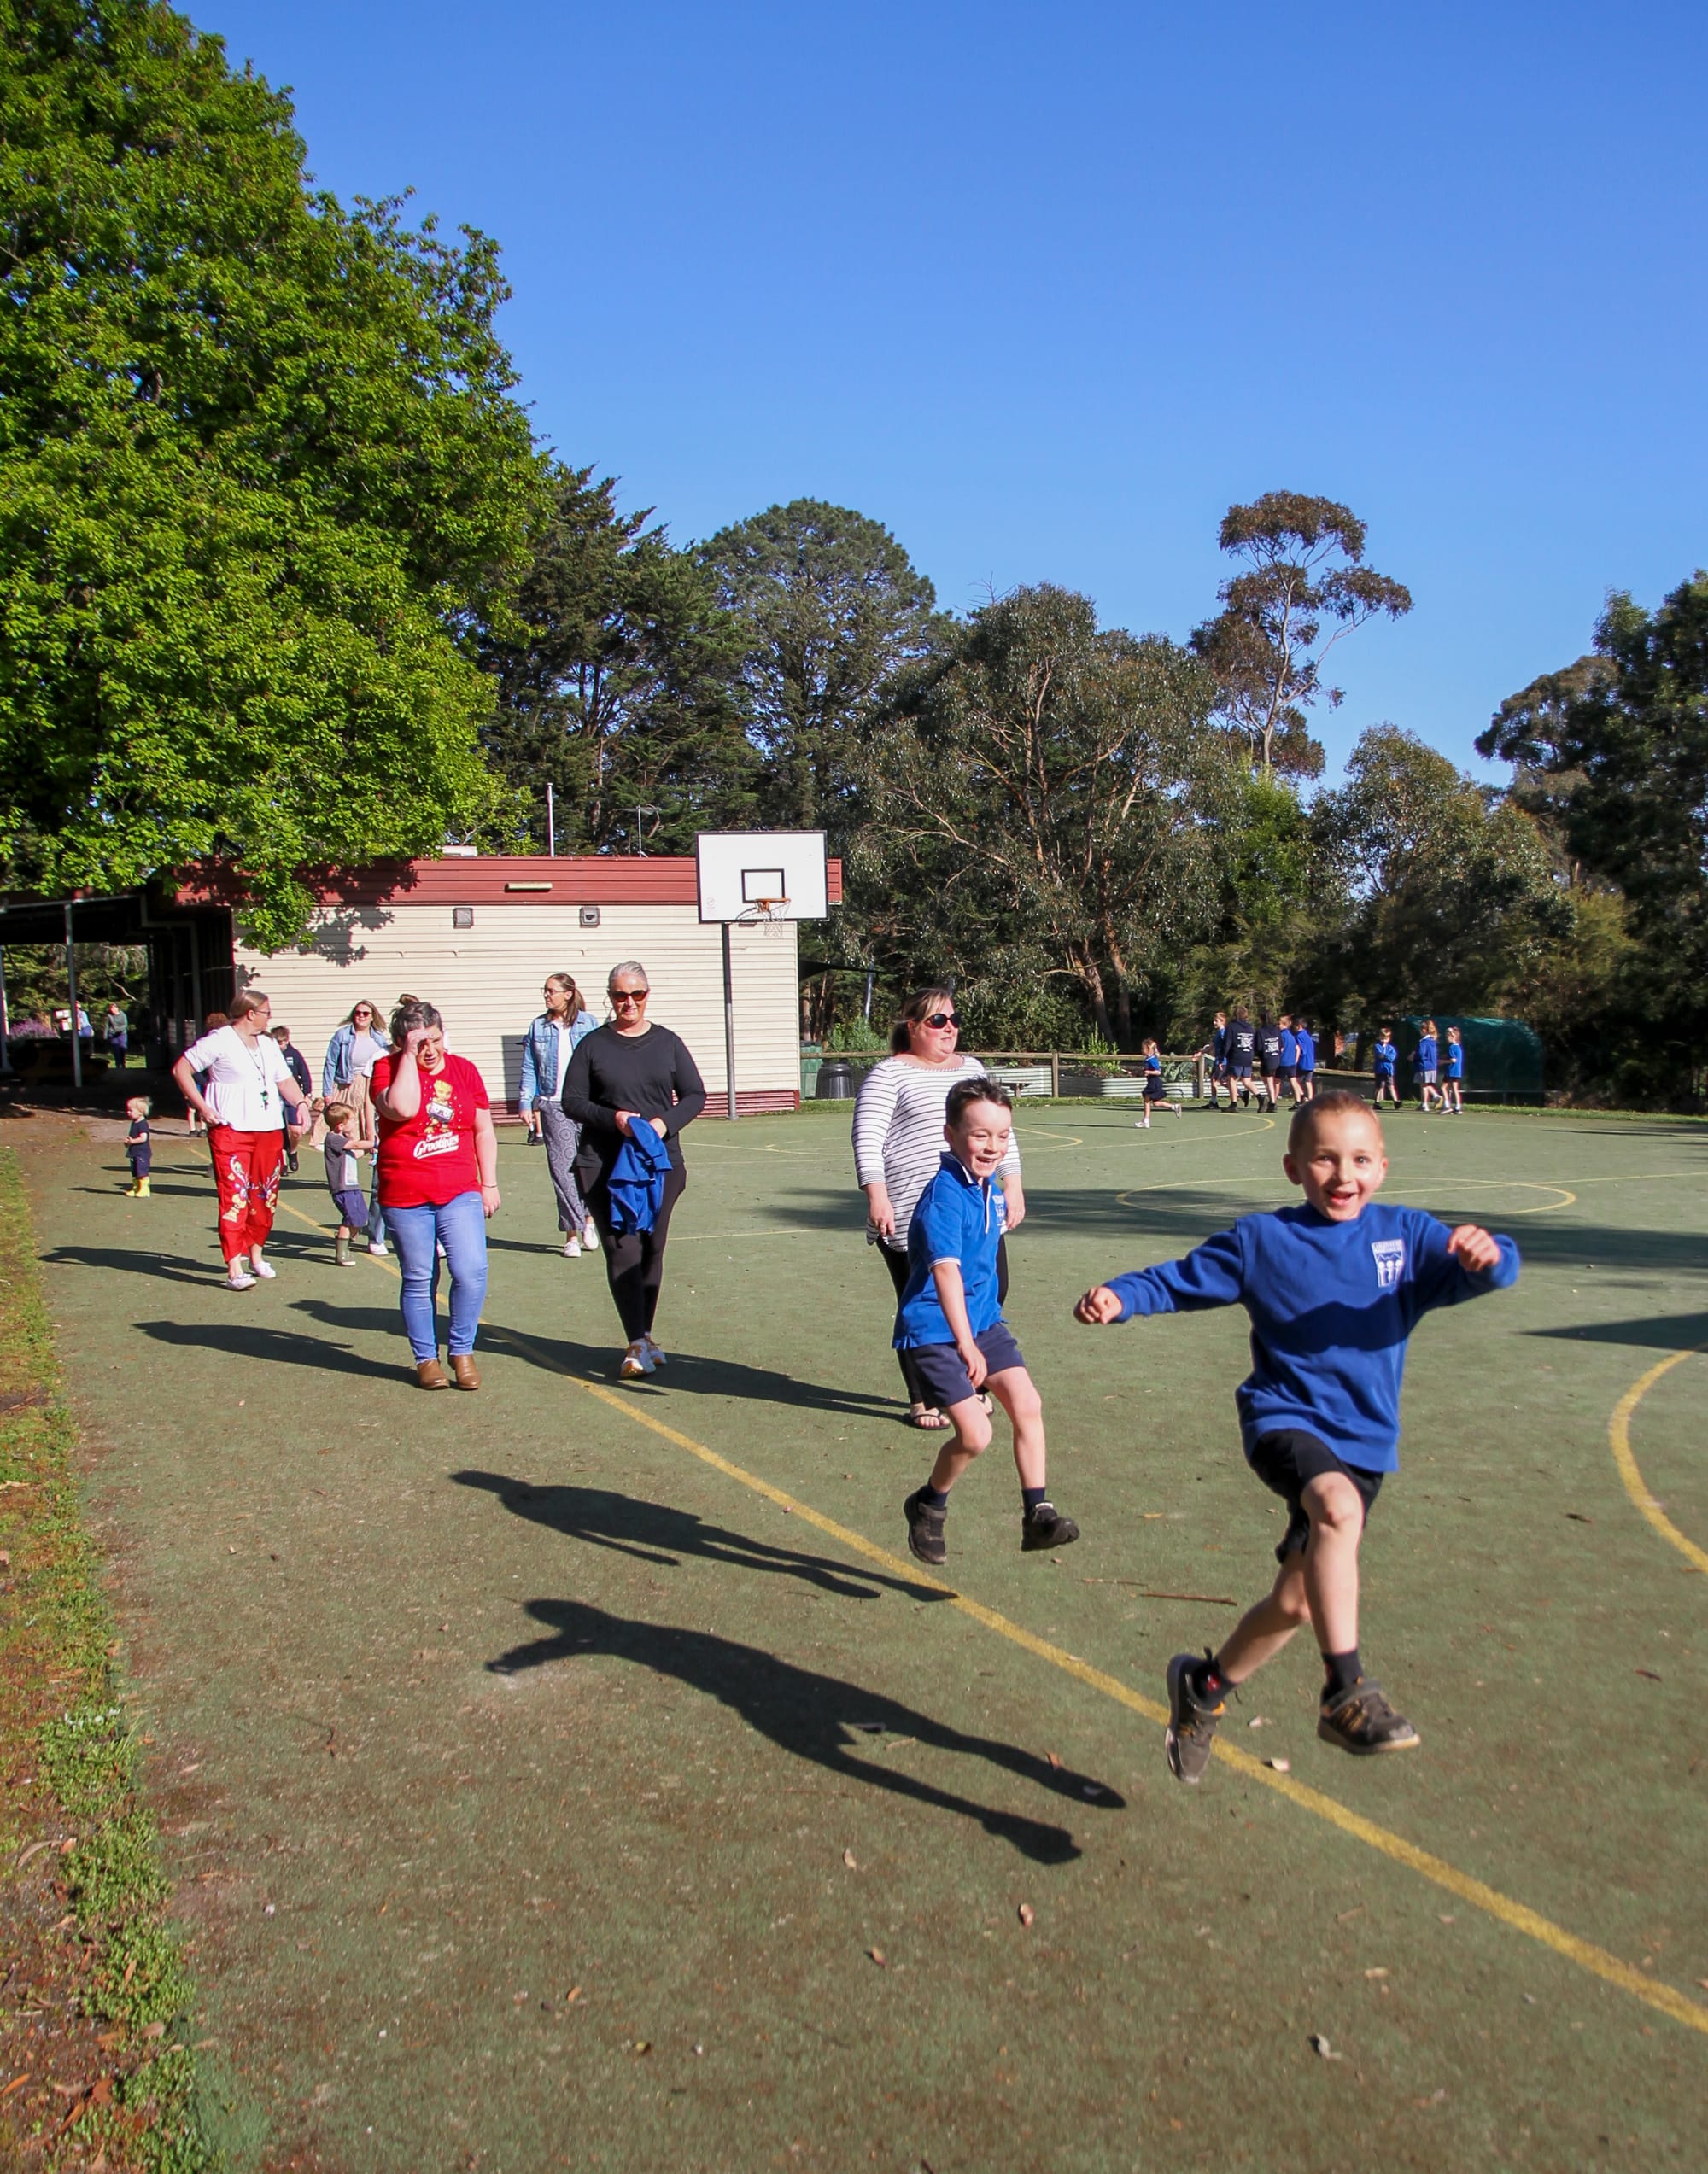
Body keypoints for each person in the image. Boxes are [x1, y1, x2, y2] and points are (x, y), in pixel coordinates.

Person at [1073, 1090, 1518, 1780]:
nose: (1345, 1176)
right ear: (1293, 1168)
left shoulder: (1407, 1238)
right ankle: (1346, 1691)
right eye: (1325, 1159)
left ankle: (1203, 1690)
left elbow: (1490, 1271)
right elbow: (1183, 1279)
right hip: (1283, 1420)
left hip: (1364, 1443)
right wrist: (1122, 1296)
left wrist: (1488, 1257)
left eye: (1361, 1160)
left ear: (1383, 1166)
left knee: (1298, 1601)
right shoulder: (1264, 1242)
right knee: (1335, 1508)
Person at [899, 1080, 1078, 1566]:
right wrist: (965, 1343)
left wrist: (980, 1333)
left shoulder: (986, 1186)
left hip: (983, 1322)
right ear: (951, 1134)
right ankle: (929, 1505)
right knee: (976, 1435)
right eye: (980, 1136)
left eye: (1002, 1137)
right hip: (938, 1330)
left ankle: (1037, 1514)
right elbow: (944, 1274)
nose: (993, 1147)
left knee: (1027, 1403)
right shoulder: (945, 1197)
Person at [852, 989, 1025, 1430]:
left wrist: (1014, 1184)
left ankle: (969, 1382)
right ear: (912, 1026)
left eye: (953, 1019)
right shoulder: (888, 1074)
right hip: (912, 1207)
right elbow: (868, 1138)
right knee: (921, 1303)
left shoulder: (971, 1069)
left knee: (991, 1288)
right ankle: (923, 1397)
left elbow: (1001, 1129)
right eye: (936, 1021)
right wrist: (877, 1194)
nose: (948, 1028)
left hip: (974, 1206)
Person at [563, 961, 706, 1379]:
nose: (629, 1003)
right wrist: (616, 1120)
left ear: (647, 994)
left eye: (637, 994)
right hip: (604, 1165)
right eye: (620, 995)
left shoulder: (668, 1043)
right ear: (609, 997)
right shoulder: (593, 1045)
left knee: (652, 1249)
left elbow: (695, 1095)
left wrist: (664, 1123)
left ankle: (643, 1335)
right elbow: (572, 1101)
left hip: (659, 1164)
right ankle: (637, 1341)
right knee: (623, 1249)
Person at [371, 1000, 499, 1390]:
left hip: (459, 1189)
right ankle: (426, 1359)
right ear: (400, 1043)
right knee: (420, 1276)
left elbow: (482, 1129)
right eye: (419, 1043)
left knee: (471, 1272)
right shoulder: (385, 1070)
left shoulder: (464, 1070)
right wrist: (406, 1057)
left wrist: (488, 1182)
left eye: (436, 1040)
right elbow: (403, 1107)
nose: (430, 1050)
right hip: (406, 1194)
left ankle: (462, 1350)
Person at [171, 993, 310, 1289]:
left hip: (269, 1129)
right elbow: (182, 1069)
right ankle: (235, 1266)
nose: (268, 1017)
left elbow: (284, 1081)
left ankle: (256, 1254)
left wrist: (300, 1104)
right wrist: (202, 1107)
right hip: (231, 1129)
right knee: (234, 1194)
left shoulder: (269, 1045)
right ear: (249, 1013)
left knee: (265, 1196)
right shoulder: (219, 1040)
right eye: (266, 1012)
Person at [518, 973, 600, 1257]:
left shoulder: (589, 1024)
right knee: (563, 1170)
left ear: (568, 994)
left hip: (587, 1104)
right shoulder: (538, 1027)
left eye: (551, 991)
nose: (546, 995)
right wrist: (525, 1102)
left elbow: (601, 1064)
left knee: (590, 1165)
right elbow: (529, 1066)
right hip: (554, 1105)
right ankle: (572, 1234)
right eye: (545, 991)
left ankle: (590, 1220)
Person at [321, 1000, 391, 1254]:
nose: (361, 1017)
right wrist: (327, 1092)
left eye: (366, 1013)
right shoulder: (343, 1035)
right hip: (349, 1083)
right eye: (358, 1013)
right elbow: (331, 1062)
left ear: (373, 1016)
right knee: (348, 1127)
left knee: (359, 1131)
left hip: (369, 1085)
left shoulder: (379, 1039)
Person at [322, 1100, 375, 1265]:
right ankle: (342, 1252)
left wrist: (370, 1150)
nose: (354, 1123)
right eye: (352, 1120)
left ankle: (346, 1238)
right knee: (350, 1218)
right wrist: (377, 1143)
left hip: (353, 1185)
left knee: (361, 1217)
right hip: (342, 1187)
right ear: (340, 1125)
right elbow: (357, 1144)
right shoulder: (334, 1139)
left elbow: (356, 1153)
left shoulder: (343, 1139)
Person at [271, 1024, 313, 1174]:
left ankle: (292, 1152)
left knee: (296, 1130)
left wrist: (307, 1093)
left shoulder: (294, 1055)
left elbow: (305, 1075)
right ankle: (281, 1161)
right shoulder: (269, 1055)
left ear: (287, 1041)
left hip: (291, 1095)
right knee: (278, 1129)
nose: (279, 1046)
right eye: (276, 1043)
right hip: (275, 1096)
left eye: (281, 1043)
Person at [185, 1011, 228, 1138]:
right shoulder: (206, 1044)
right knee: (195, 1106)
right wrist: (204, 1082)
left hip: (208, 1081)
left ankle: (203, 1128)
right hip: (201, 1080)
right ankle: (194, 1129)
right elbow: (190, 1068)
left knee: (203, 1106)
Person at [1134, 1038, 1179, 1129]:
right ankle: (1174, 1107)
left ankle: (1146, 1121)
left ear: (1148, 1049)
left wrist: (1149, 1073)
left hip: (1154, 1083)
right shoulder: (1147, 1059)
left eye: (1143, 1048)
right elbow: (1146, 1070)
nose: (1142, 1050)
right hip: (1151, 1082)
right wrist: (1137, 1073)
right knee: (1156, 1103)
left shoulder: (1152, 1060)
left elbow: (1158, 1072)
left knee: (1146, 1099)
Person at [1225, 1006, 1257, 1107]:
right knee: (1247, 1080)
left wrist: (1223, 1056)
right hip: (1248, 1056)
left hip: (1236, 1056)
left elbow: (1228, 1043)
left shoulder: (1232, 1027)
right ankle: (1260, 1097)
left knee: (1232, 1079)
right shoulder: (1250, 1027)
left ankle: (1234, 1103)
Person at [1198, 1010, 1231, 1112]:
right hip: (1218, 1060)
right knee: (1220, 1081)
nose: (1214, 1023)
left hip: (1222, 1061)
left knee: (1215, 1080)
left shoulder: (1224, 1033)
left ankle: (1214, 1101)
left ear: (1222, 1021)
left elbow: (1227, 1047)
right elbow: (1212, 1046)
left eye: (1216, 1021)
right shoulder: (1218, 1033)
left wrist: (1222, 1060)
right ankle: (1241, 1094)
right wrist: (1201, 1052)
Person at [124, 1096, 151, 1197]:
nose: (128, 1112)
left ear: (140, 1111)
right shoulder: (134, 1123)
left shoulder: (143, 1124)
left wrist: (133, 1141)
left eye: (131, 1110)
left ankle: (144, 1189)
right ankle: (136, 1188)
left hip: (142, 1153)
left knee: (142, 1171)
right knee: (134, 1171)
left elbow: (144, 1138)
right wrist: (128, 1142)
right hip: (134, 1152)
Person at [1255, 1014, 1283, 1111]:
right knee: (1268, 1080)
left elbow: (1258, 1047)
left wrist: (1260, 1056)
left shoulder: (1261, 1031)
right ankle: (1272, 1100)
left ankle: (1273, 1103)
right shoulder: (1276, 1030)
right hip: (1276, 1057)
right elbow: (1281, 1045)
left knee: (1269, 1081)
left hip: (1267, 1058)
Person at [1415, 1018, 1441, 1115]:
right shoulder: (1433, 1041)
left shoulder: (1423, 1042)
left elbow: (1421, 1054)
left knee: (1424, 1085)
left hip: (1424, 1066)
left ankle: (1429, 1100)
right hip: (1432, 1066)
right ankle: (1424, 1103)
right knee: (1425, 1085)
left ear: (1424, 1030)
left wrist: (1414, 1056)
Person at [1371, 1027, 1399, 1107]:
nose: (1383, 1040)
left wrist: (1385, 1056)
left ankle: (1396, 1101)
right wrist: (1386, 1057)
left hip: (1389, 1071)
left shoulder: (1391, 1048)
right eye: (1382, 1038)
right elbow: (1379, 1055)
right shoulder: (1377, 1046)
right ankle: (1376, 1102)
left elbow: (1392, 1058)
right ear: (1379, 1037)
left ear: (1389, 1039)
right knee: (1379, 1087)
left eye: (1385, 1039)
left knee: (1391, 1086)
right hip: (1379, 1071)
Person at [1277, 1015, 1301, 1104]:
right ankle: (1298, 1101)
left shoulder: (1282, 1035)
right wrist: (1296, 1060)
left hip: (1283, 1062)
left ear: (1284, 1025)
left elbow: (1281, 1049)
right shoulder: (1291, 1036)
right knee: (1293, 1082)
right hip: (1292, 1063)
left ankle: (1273, 1102)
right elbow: (1297, 1049)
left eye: (1279, 1024)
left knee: (1276, 1082)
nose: (1278, 1025)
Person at [1294, 1017, 1317, 1102]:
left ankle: (1302, 1096)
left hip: (1303, 1063)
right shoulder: (1308, 1036)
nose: (1294, 1028)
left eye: (1295, 1026)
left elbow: (1302, 1050)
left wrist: (1295, 1059)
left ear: (1299, 1026)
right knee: (1308, 1082)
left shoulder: (1299, 1036)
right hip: (1310, 1063)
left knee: (1295, 1081)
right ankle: (1310, 1099)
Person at [1443, 1026, 1465, 1113]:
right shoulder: (1458, 1047)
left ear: (1453, 1037)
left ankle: (1446, 1106)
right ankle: (1458, 1107)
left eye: (1448, 1036)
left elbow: (1453, 1060)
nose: (1447, 1038)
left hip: (1451, 1071)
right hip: (1457, 1071)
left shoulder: (1452, 1047)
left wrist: (1442, 1061)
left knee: (1443, 1087)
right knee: (1455, 1089)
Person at [104, 1002, 129, 1070]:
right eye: (111, 1008)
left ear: (117, 1008)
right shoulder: (109, 1016)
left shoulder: (122, 1015)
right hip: (113, 1034)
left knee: (122, 1048)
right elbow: (107, 1025)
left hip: (122, 1034)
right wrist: (105, 1034)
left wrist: (118, 1030)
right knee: (116, 1050)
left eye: (113, 1008)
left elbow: (125, 1025)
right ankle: (118, 1064)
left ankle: (123, 1063)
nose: (111, 1010)